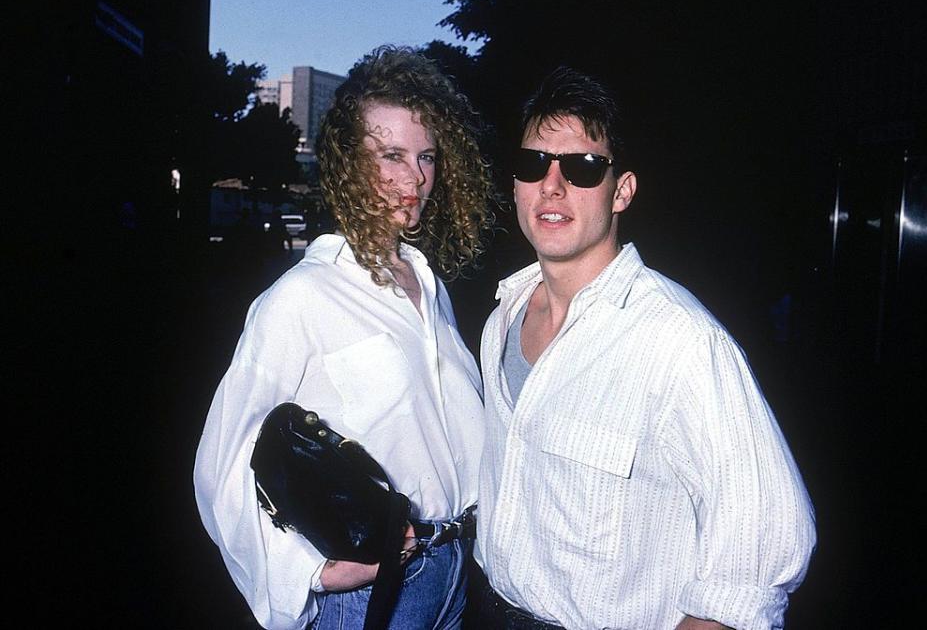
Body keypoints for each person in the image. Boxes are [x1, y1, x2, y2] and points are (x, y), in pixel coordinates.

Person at [472, 67, 816, 630]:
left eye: (583, 168)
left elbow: (763, 546)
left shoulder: (679, 341)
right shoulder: (501, 318)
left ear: (622, 190)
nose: (552, 187)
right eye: (534, 163)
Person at [194, 46, 494, 630]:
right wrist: (306, 565)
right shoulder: (304, 298)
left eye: (427, 156)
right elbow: (220, 461)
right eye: (392, 156)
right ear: (350, 164)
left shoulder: (431, 289)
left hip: (457, 578)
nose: (416, 178)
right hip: (376, 595)